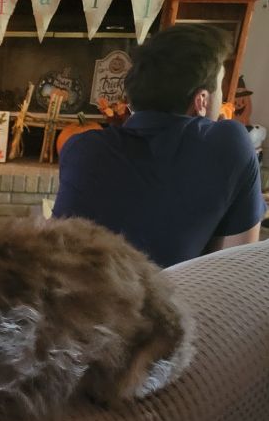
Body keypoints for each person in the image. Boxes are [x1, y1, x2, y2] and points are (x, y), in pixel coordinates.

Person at [53, 23, 265, 268]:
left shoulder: (80, 147)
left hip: (68, 301)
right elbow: (235, 265)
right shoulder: (230, 143)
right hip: (166, 302)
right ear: (201, 100)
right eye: (220, 87)